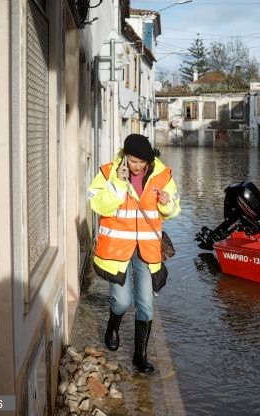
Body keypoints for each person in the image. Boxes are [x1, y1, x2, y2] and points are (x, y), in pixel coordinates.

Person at [88, 134, 180, 373]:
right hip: (117, 250)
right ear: (124, 157)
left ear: (149, 160)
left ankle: (140, 356)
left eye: (142, 162)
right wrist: (118, 184)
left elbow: (172, 211)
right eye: (133, 160)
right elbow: (97, 205)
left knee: (146, 305)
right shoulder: (108, 172)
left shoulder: (163, 176)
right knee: (121, 301)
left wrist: (166, 202)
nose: (137, 166)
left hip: (147, 250)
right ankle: (112, 326)